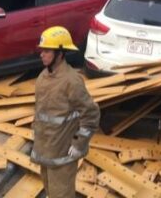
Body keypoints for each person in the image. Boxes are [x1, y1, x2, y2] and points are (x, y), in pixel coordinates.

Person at [31, 26, 100, 198]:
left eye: (46, 51)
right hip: (45, 150)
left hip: (63, 154)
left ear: (60, 53)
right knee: (49, 191)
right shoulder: (42, 77)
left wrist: (79, 144)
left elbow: (91, 114)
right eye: (42, 50)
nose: (41, 54)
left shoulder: (71, 81)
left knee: (61, 194)